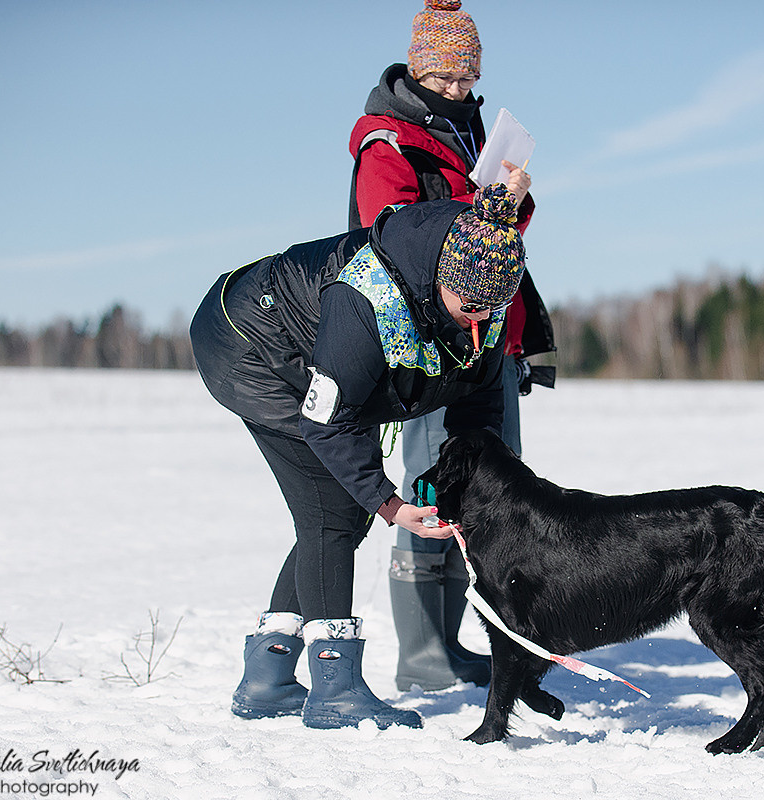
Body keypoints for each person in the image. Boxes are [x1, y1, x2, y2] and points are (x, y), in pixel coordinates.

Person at [189, 184, 525, 730]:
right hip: (249, 343)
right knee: (333, 513)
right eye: (470, 307)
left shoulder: (484, 299)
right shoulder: (367, 296)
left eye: (493, 310)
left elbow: (478, 399)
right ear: (442, 277)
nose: (479, 322)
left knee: (338, 515)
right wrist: (391, 507)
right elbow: (327, 422)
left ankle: (267, 677)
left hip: (317, 358)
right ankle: (333, 691)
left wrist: (452, 483)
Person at [348, 0, 554, 693]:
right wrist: (483, 204)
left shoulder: (465, 134)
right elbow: (398, 231)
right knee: (434, 489)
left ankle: (455, 641)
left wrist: (510, 203)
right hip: (428, 343)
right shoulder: (388, 145)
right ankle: (421, 650)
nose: (461, 92)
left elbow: (489, 242)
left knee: (493, 485)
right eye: (446, 80)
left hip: (487, 337)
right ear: (417, 70)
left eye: (468, 80)